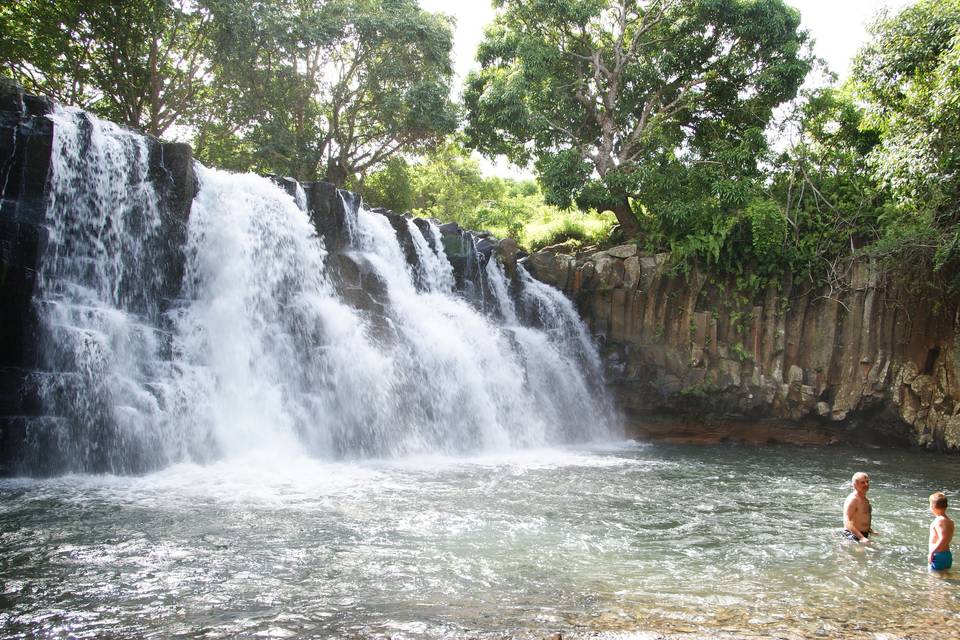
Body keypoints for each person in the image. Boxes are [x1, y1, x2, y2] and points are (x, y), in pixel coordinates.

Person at [842, 472, 872, 542]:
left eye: (867, 481)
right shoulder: (853, 499)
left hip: (863, 535)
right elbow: (847, 521)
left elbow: (862, 518)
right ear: (855, 484)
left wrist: (870, 530)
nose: (866, 484)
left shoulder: (865, 500)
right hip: (852, 536)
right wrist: (861, 538)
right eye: (863, 482)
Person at [928, 492, 954, 571]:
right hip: (946, 555)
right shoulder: (949, 521)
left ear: (932, 506)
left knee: (933, 579)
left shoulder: (939, 520)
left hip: (938, 555)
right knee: (944, 576)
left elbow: (943, 538)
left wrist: (932, 552)